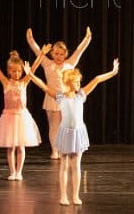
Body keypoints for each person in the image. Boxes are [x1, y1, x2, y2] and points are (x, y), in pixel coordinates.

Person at [24, 58, 119, 205]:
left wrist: (112, 72)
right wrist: (30, 75)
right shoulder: (60, 96)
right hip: (66, 134)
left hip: (78, 133)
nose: (79, 84)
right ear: (68, 82)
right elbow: (43, 86)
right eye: (76, 82)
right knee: (64, 165)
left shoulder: (81, 95)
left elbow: (96, 79)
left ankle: (75, 195)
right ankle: (63, 196)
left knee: (76, 166)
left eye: (79, 82)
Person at [0, 41, 48, 180]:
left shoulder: (24, 82)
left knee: (21, 147)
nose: (17, 73)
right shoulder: (5, 82)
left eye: (19, 71)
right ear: (9, 71)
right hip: (8, 118)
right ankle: (12, 172)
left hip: (22, 117)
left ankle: (19, 172)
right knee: (11, 147)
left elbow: (34, 67)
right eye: (13, 71)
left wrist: (42, 54)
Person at [26, 26, 92, 159]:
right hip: (52, 98)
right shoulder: (47, 63)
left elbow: (79, 50)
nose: (58, 56)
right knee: (54, 126)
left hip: (67, 99)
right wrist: (30, 39)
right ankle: (55, 151)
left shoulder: (70, 63)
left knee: (66, 126)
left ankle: (64, 149)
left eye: (61, 54)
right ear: (52, 54)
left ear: (65, 54)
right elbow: (37, 50)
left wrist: (87, 38)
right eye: (56, 54)